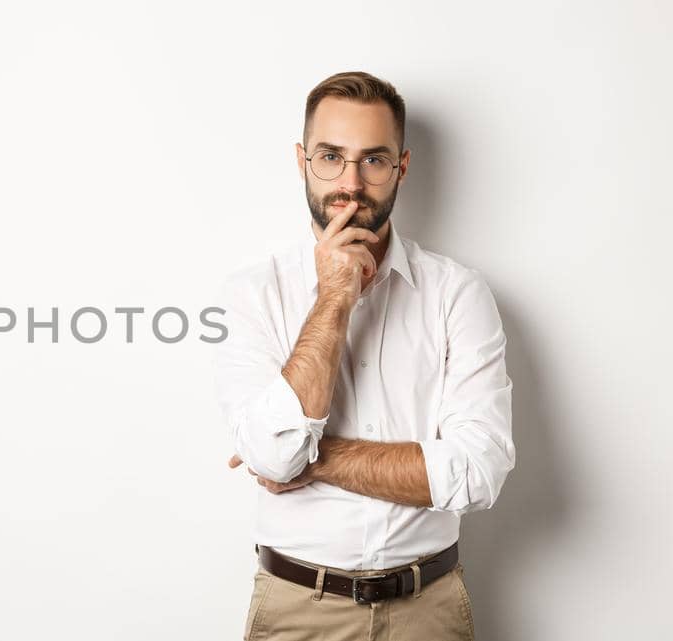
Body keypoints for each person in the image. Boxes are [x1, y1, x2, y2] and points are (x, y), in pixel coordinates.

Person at [213, 71, 514, 641]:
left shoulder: (457, 294)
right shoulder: (252, 293)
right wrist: (333, 298)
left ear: (400, 167)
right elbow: (273, 458)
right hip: (298, 608)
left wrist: (310, 459)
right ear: (303, 161)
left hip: (430, 608)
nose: (350, 182)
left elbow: (478, 472)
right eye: (331, 156)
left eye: (373, 160)